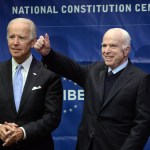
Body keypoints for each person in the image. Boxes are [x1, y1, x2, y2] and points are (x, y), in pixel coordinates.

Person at [34, 28, 150, 150]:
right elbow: (70, 68)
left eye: (113, 46)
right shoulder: (94, 70)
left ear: (126, 50)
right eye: (104, 45)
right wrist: (48, 54)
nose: (106, 51)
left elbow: (142, 125)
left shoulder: (140, 79)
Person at [0, 18, 63, 150]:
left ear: (33, 42)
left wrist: (23, 132)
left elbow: (52, 117)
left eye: (21, 38)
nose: (15, 42)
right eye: (11, 37)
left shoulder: (49, 74)